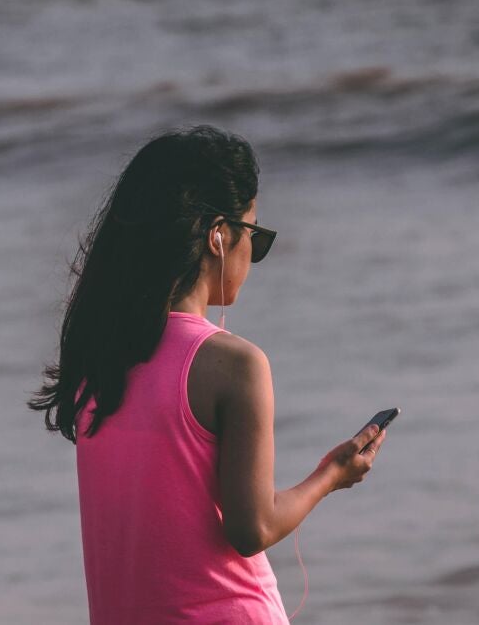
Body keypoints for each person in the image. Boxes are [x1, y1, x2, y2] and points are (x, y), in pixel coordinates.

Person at [29, 125, 388, 624]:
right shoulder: (234, 365)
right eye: (255, 236)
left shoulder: (97, 360)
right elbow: (252, 528)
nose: (253, 256)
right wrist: (332, 474)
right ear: (219, 235)